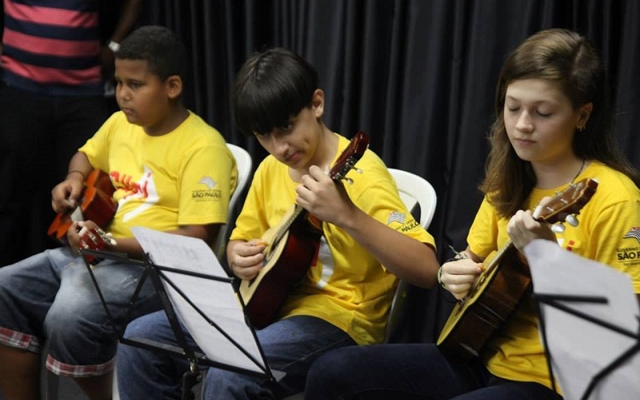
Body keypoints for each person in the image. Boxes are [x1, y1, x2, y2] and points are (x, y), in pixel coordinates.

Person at [304, 28, 640, 400]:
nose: (522, 124)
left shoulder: (615, 198)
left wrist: (552, 262)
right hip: (482, 357)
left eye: (543, 112)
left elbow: (623, 339)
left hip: (558, 383)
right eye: (513, 108)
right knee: (333, 372)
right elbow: (473, 260)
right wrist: (455, 274)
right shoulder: (509, 180)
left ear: (582, 115)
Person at [115, 47, 440, 399]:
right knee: (141, 340)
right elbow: (242, 239)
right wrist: (239, 256)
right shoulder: (272, 167)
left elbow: (426, 270)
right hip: (266, 306)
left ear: (316, 104)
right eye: (264, 136)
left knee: (231, 373)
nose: (279, 146)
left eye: (287, 127)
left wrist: (348, 215)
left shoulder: (363, 177)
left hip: (339, 317)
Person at [0, 25, 238, 400]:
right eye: (119, 82)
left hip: (156, 272)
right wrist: (74, 178)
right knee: (6, 286)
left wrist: (110, 243)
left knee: (70, 314)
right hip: (101, 254)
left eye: (136, 85)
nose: (123, 95)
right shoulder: (119, 124)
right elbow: (86, 154)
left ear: (172, 86)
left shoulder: (202, 147)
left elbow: (197, 238)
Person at [0, 0, 144, 267]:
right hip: (19, 88)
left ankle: (76, 284)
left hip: (82, 93)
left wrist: (113, 46)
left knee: (88, 199)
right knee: (9, 198)